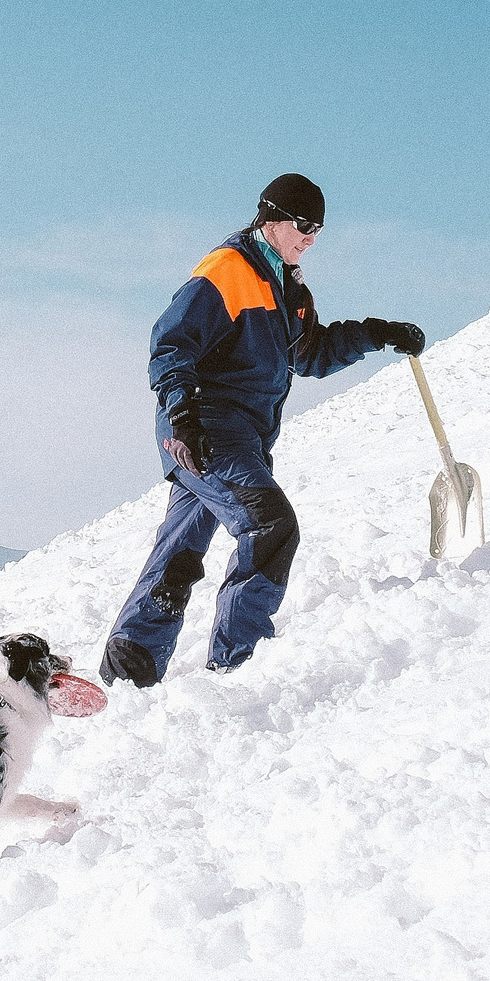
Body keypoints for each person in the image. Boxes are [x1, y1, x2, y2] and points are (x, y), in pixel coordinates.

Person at [100, 173, 424, 687]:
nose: (311, 237)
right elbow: (170, 343)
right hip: (206, 428)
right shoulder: (228, 270)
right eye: (303, 225)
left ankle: (130, 660)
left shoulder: (288, 287)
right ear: (270, 218)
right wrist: (183, 417)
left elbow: (311, 354)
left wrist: (376, 334)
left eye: (318, 228)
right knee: (269, 525)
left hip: (240, 436)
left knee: (182, 545)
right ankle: (239, 667)